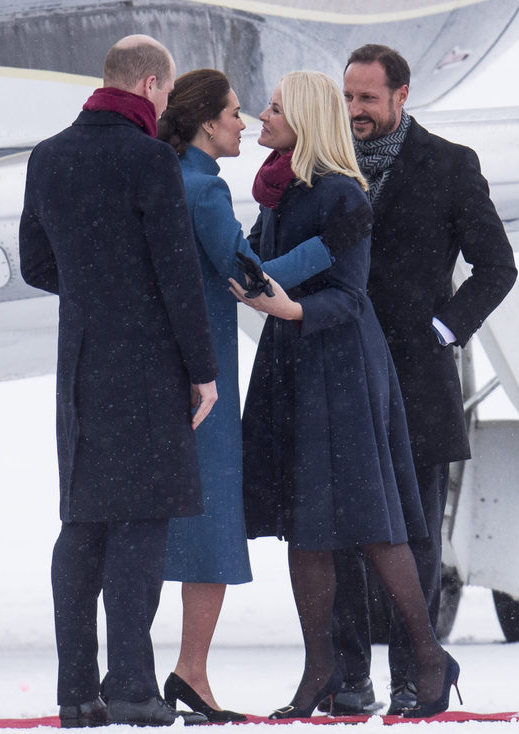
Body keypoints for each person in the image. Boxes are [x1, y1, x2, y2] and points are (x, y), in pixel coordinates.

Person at [230, 70, 460, 720]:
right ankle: (322, 672)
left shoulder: (342, 197)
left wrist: (282, 302)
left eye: (273, 109)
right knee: (307, 531)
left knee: (371, 526)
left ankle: (428, 658)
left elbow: (348, 295)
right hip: (292, 370)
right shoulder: (276, 194)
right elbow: (249, 264)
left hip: (340, 368)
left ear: (301, 119)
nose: (261, 117)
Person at [19, 35, 219, 728]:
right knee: (141, 519)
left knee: (83, 522)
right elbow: (176, 274)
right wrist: (203, 371)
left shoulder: (48, 157)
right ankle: (133, 686)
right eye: (164, 92)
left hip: (79, 359)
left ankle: (78, 691)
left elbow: (34, 263)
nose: (165, 103)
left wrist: (93, 291)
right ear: (149, 83)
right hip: (145, 362)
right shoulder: (147, 160)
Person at [328, 44, 518, 715]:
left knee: (415, 537)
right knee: (341, 533)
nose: (355, 112)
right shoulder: (326, 163)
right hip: (342, 373)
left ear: (402, 96)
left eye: (368, 100)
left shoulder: (449, 166)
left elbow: (497, 267)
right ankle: (348, 680)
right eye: (348, 98)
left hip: (416, 377)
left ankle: (417, 674)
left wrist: (444, 330)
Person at [155, 68, 347, 723]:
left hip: (160, 372)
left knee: (160, 526)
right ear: (208, 121)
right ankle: (191, 673)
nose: (244, 123)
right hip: (203, 376)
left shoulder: (165, 177)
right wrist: (329, 246)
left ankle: (162, 670)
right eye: (236, 112)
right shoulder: (202, 190)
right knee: (208, 527)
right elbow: (247, 280)